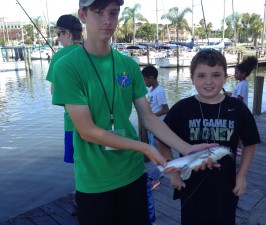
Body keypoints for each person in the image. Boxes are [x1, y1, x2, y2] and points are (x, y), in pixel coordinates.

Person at [51, 1, 218, 225]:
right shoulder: (67, 66)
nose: (107, 20)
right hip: (95, 182)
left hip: (133, 175)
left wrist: (185, 148)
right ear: (83, 15)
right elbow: (87, 131)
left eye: (113, 12)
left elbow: (148, 117)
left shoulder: (128, 65)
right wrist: (145, 147)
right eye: (98, 12)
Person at [157, 49, 261, 225]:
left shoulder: (238, 109)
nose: (209, 82)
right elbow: (162, 140)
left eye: (215, 75)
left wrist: (241, 175)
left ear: (225, 77)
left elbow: (250, 143)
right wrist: (173, 174)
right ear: (192, 78)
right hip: (189, 185)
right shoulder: (182, 108)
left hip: (226, 187)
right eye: (201, 75)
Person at [46, 14, 83, 164]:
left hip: (73, 123)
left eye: (58, 34)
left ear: (67, 33)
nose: (58, 39)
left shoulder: (59, 57)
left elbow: (54, 91)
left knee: (78, 163)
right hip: (99, 121)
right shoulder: (92, 52)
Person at [142, 65, 169, 190]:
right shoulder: (152, 90)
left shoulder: (160, 91)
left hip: (157, 126)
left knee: (157, 151)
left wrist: (151, 115)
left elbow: (165, 109)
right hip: (152, 125)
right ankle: (157, 172)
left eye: (145, 79)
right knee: (153, 149)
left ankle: (155, 177)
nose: (144, 82)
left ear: (151, 78)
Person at [225, 56, 258, 155]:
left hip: (239, 111)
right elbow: (236, 95)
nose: (234, 75)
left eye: (236, 73)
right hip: (237, 110)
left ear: (243, 74)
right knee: (236, 129)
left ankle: (238, 149)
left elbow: (239, 99)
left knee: (238, 130)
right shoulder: (240, 83)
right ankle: (237, 147)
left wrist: (228, 98)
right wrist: (229, 94)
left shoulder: (243, 84)